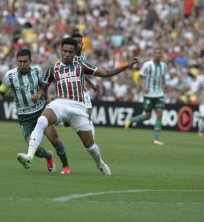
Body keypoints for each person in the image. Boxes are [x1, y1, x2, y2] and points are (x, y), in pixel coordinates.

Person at [17, 37, 140, 175]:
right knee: (42, 120)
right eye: (65, 51)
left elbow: (105, 73)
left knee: (91, 147)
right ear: (61, 51)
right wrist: (38, 95)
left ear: (75, 52)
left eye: (70, 51)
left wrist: (127, 66)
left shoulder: (81, 65)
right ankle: (29, 156)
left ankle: (100, 163)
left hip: (78, 107)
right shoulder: (53, 69)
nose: (67, 54)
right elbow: (43, 88)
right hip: (60, 103)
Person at [0, 48, 71, 174]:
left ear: (30, 61)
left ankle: (65, 166)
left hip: (41, 112)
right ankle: (48, 156)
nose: (22, 64)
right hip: (24, 118)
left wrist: (46, 98)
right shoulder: (10, 75)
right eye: (19, 61)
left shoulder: (37, 71)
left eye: (25, 61)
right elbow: (3, 89)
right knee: (35, 150)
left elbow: (43, 87)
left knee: (55, 140)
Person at [125, 47, 167, 146]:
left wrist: (164, 86)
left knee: (159, 114)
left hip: (159, 94)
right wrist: (144, 87)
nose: (158, 55)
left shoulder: (164, 66)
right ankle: (131, 120)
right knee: (148, 116)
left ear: (161, 55)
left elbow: (163, 77)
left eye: (159, 53)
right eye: (156, 53)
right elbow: (140, 78)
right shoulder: (148, 65)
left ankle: (156, 139)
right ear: (153, 54)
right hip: (148, 94)